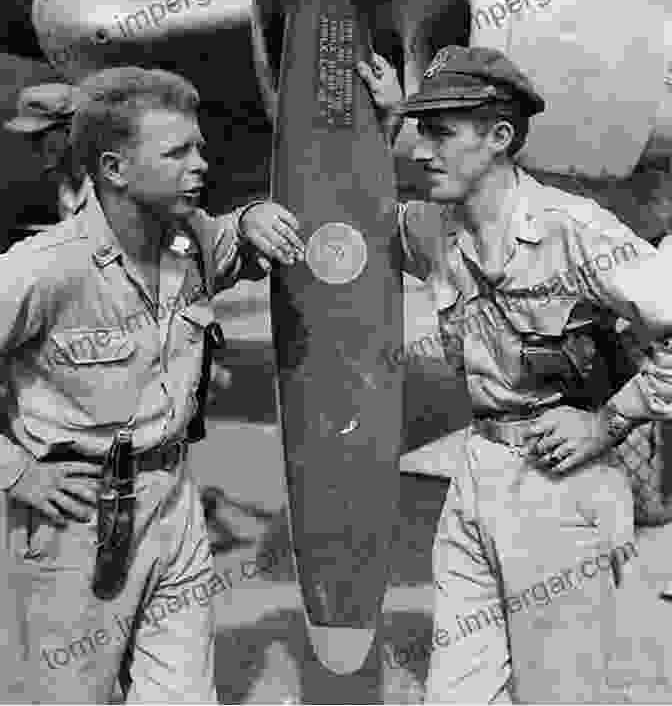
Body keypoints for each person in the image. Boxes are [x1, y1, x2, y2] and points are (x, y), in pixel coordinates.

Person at [358, 46, 672, 703]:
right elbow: (355, 221)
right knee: (457, 693)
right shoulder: (434, 229)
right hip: (475, 478)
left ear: (501, 137)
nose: (423, 150)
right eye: (422, 131)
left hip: (561, 482)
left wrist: (609, 421)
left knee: (561, 691)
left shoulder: (573, 230)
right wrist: (389, 123)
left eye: (441, 132)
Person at [0, 66, 304, 703]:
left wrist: (252, 217)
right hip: (74, 519)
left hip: (174, 505)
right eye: (177, 152)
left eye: (198, 146)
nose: (202, 163)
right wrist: (14, 471)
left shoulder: (190, 242)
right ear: (114, 169)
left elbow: (239, 239)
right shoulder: (42, 269)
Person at [4, 82, 92, 224]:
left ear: (71, 130)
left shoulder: (108, 188)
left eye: (39, 136)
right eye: (30, 138)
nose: (34, 148)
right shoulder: (66, 190)